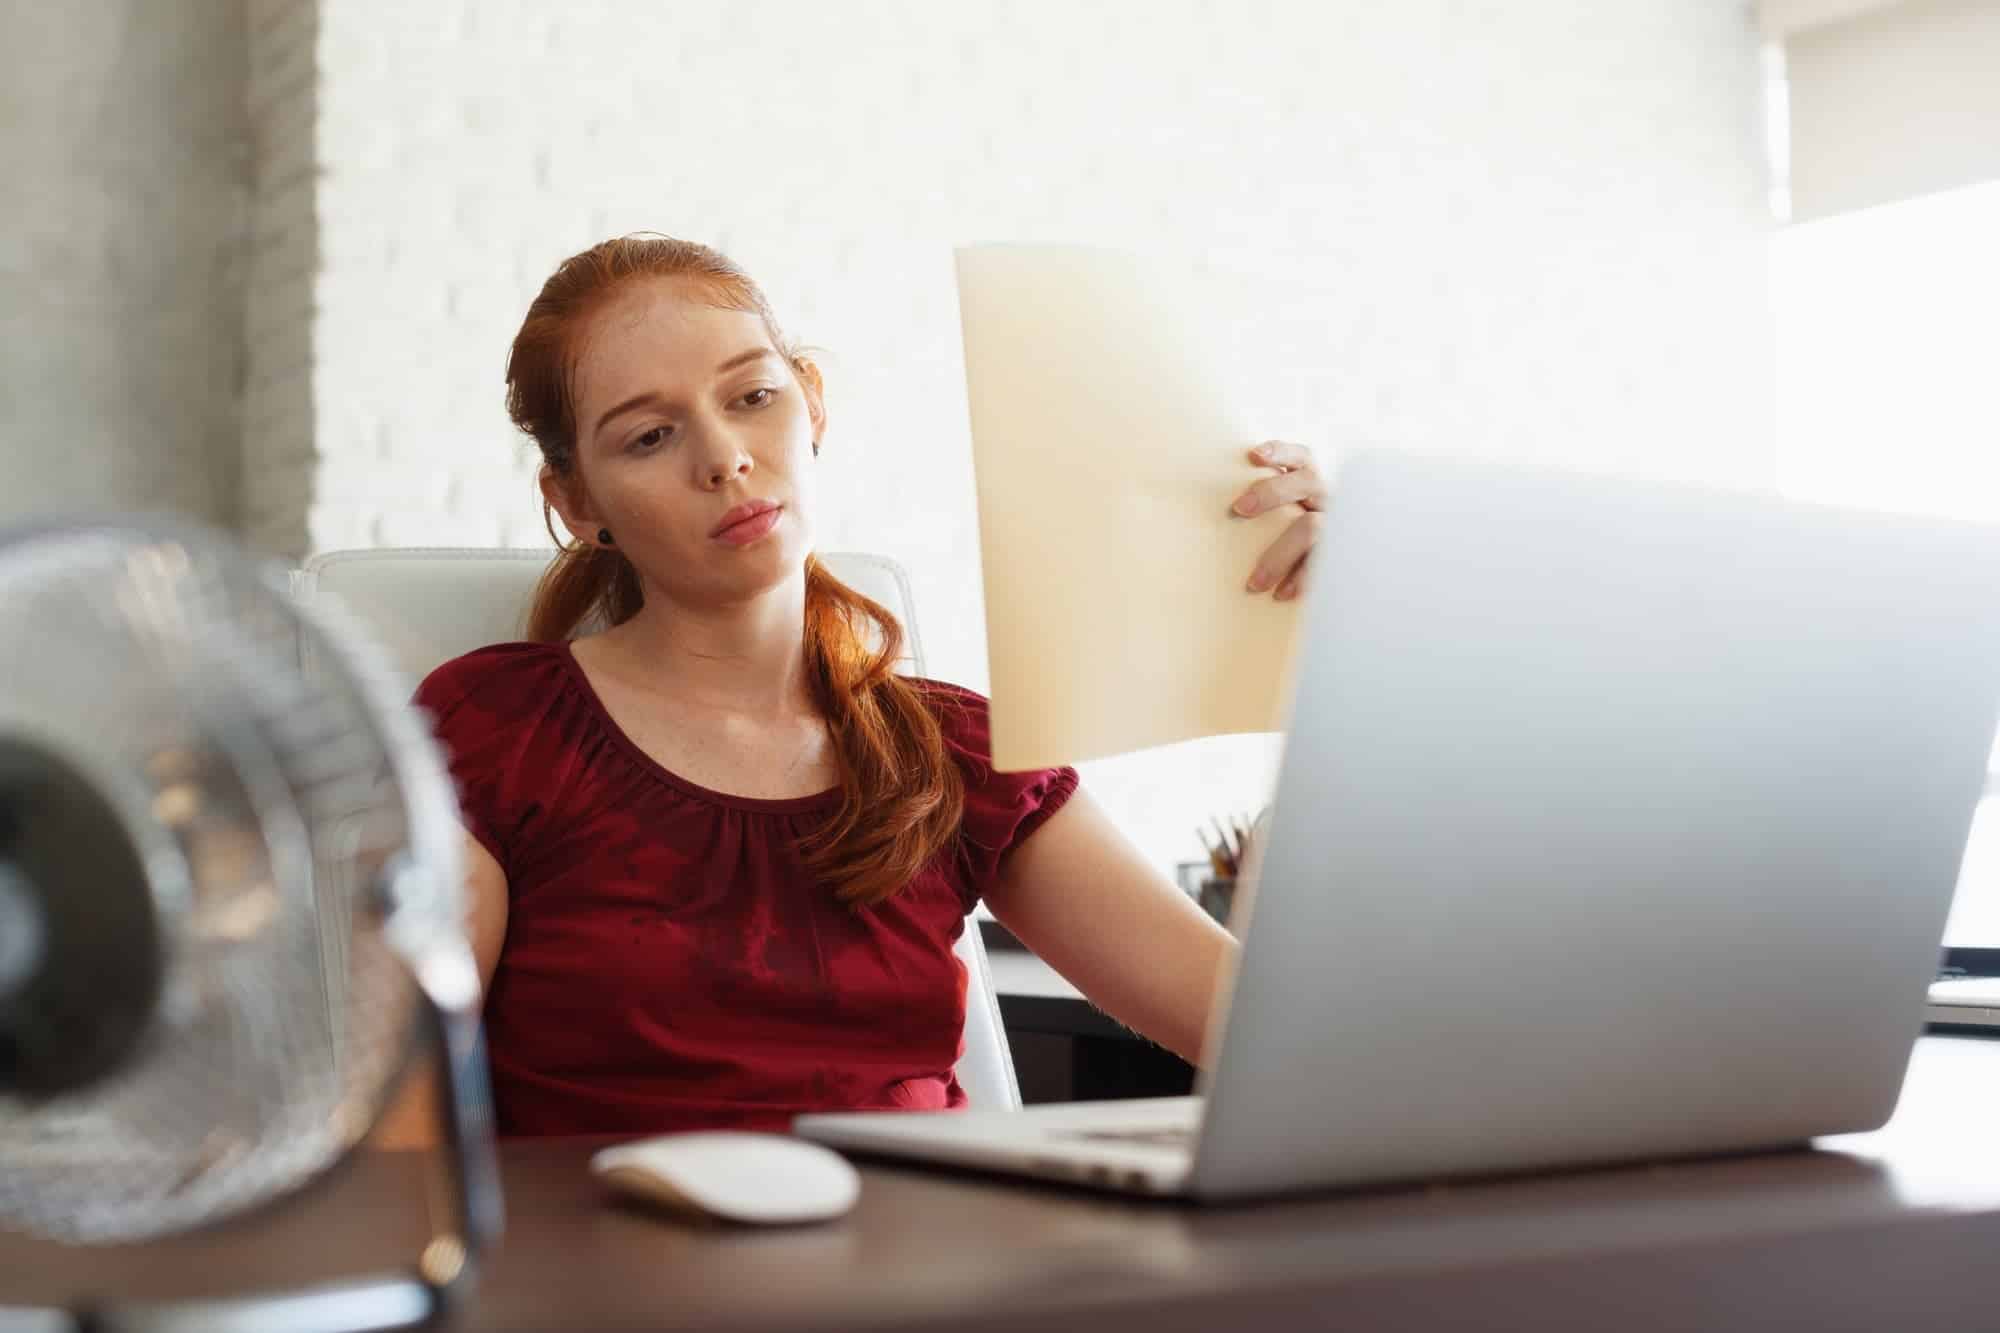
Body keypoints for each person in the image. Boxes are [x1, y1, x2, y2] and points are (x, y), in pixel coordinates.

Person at [375, 235, 1329, 1144]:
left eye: (753, 395)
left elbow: (1283, 1043)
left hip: (925, 1247)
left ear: (814, 405)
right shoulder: (494, 731)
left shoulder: (954, 752)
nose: (724, 457)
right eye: (651, 436)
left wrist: (1357, 621)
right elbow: (399, 1141)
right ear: (578, 503)